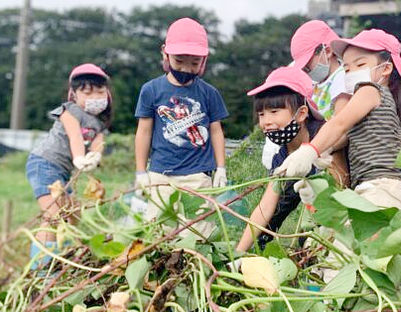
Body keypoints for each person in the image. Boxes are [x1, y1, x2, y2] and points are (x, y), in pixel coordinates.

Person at [275, 29, 401, 209]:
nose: (352, 72)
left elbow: (339, 123)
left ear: (385, 68)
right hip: (374, 187)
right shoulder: (379, 100)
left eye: (360, 65)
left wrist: (309, 151)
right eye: (346, 68)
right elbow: (344, 136)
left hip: (382, 188)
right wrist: (323, 152)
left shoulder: (370, 90)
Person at [134, 18, 229, 239]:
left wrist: (221, 167)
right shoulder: (151, 90)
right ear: (165, 53)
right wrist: (140, 172)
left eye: (194, 63)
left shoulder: (209, 93)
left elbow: (216, 131)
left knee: (198, 236)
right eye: (179, 61)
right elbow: (144, 131)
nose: (186, 69)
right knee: (158, 236)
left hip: (198, 176)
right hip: (161, 175)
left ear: (204, 60)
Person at [236, 66, 334, 252]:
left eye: (274, 112)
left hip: (338, 215)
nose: (266, 121)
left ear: (302, 113)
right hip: (313, 211)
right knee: (273, 219)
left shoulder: (324, 135)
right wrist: (238, 252)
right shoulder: (281, 157)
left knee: (312, 242)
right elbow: (266, 207)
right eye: (261, 114)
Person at [26, 63, 113, 269]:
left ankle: (67, 260)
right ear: (73, 94)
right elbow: (74, 135)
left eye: (99, 91)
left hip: (63, 173)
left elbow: (98, 143)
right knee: (53, 216)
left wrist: (95, 156)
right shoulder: (69, 110)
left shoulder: (98, 124)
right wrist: (79, 158)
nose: (94, 97)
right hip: (44, 164)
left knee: (73, 214)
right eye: (87, 92)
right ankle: (40, 271)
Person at [262, 20, 349, 187]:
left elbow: (342, 125)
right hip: (312, 144)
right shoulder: (313, 82)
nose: (306, 70)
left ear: (327, 51)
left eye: (308, 63)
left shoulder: (341, 78)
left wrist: (318, 149)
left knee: (333, 165)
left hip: (332, 146)